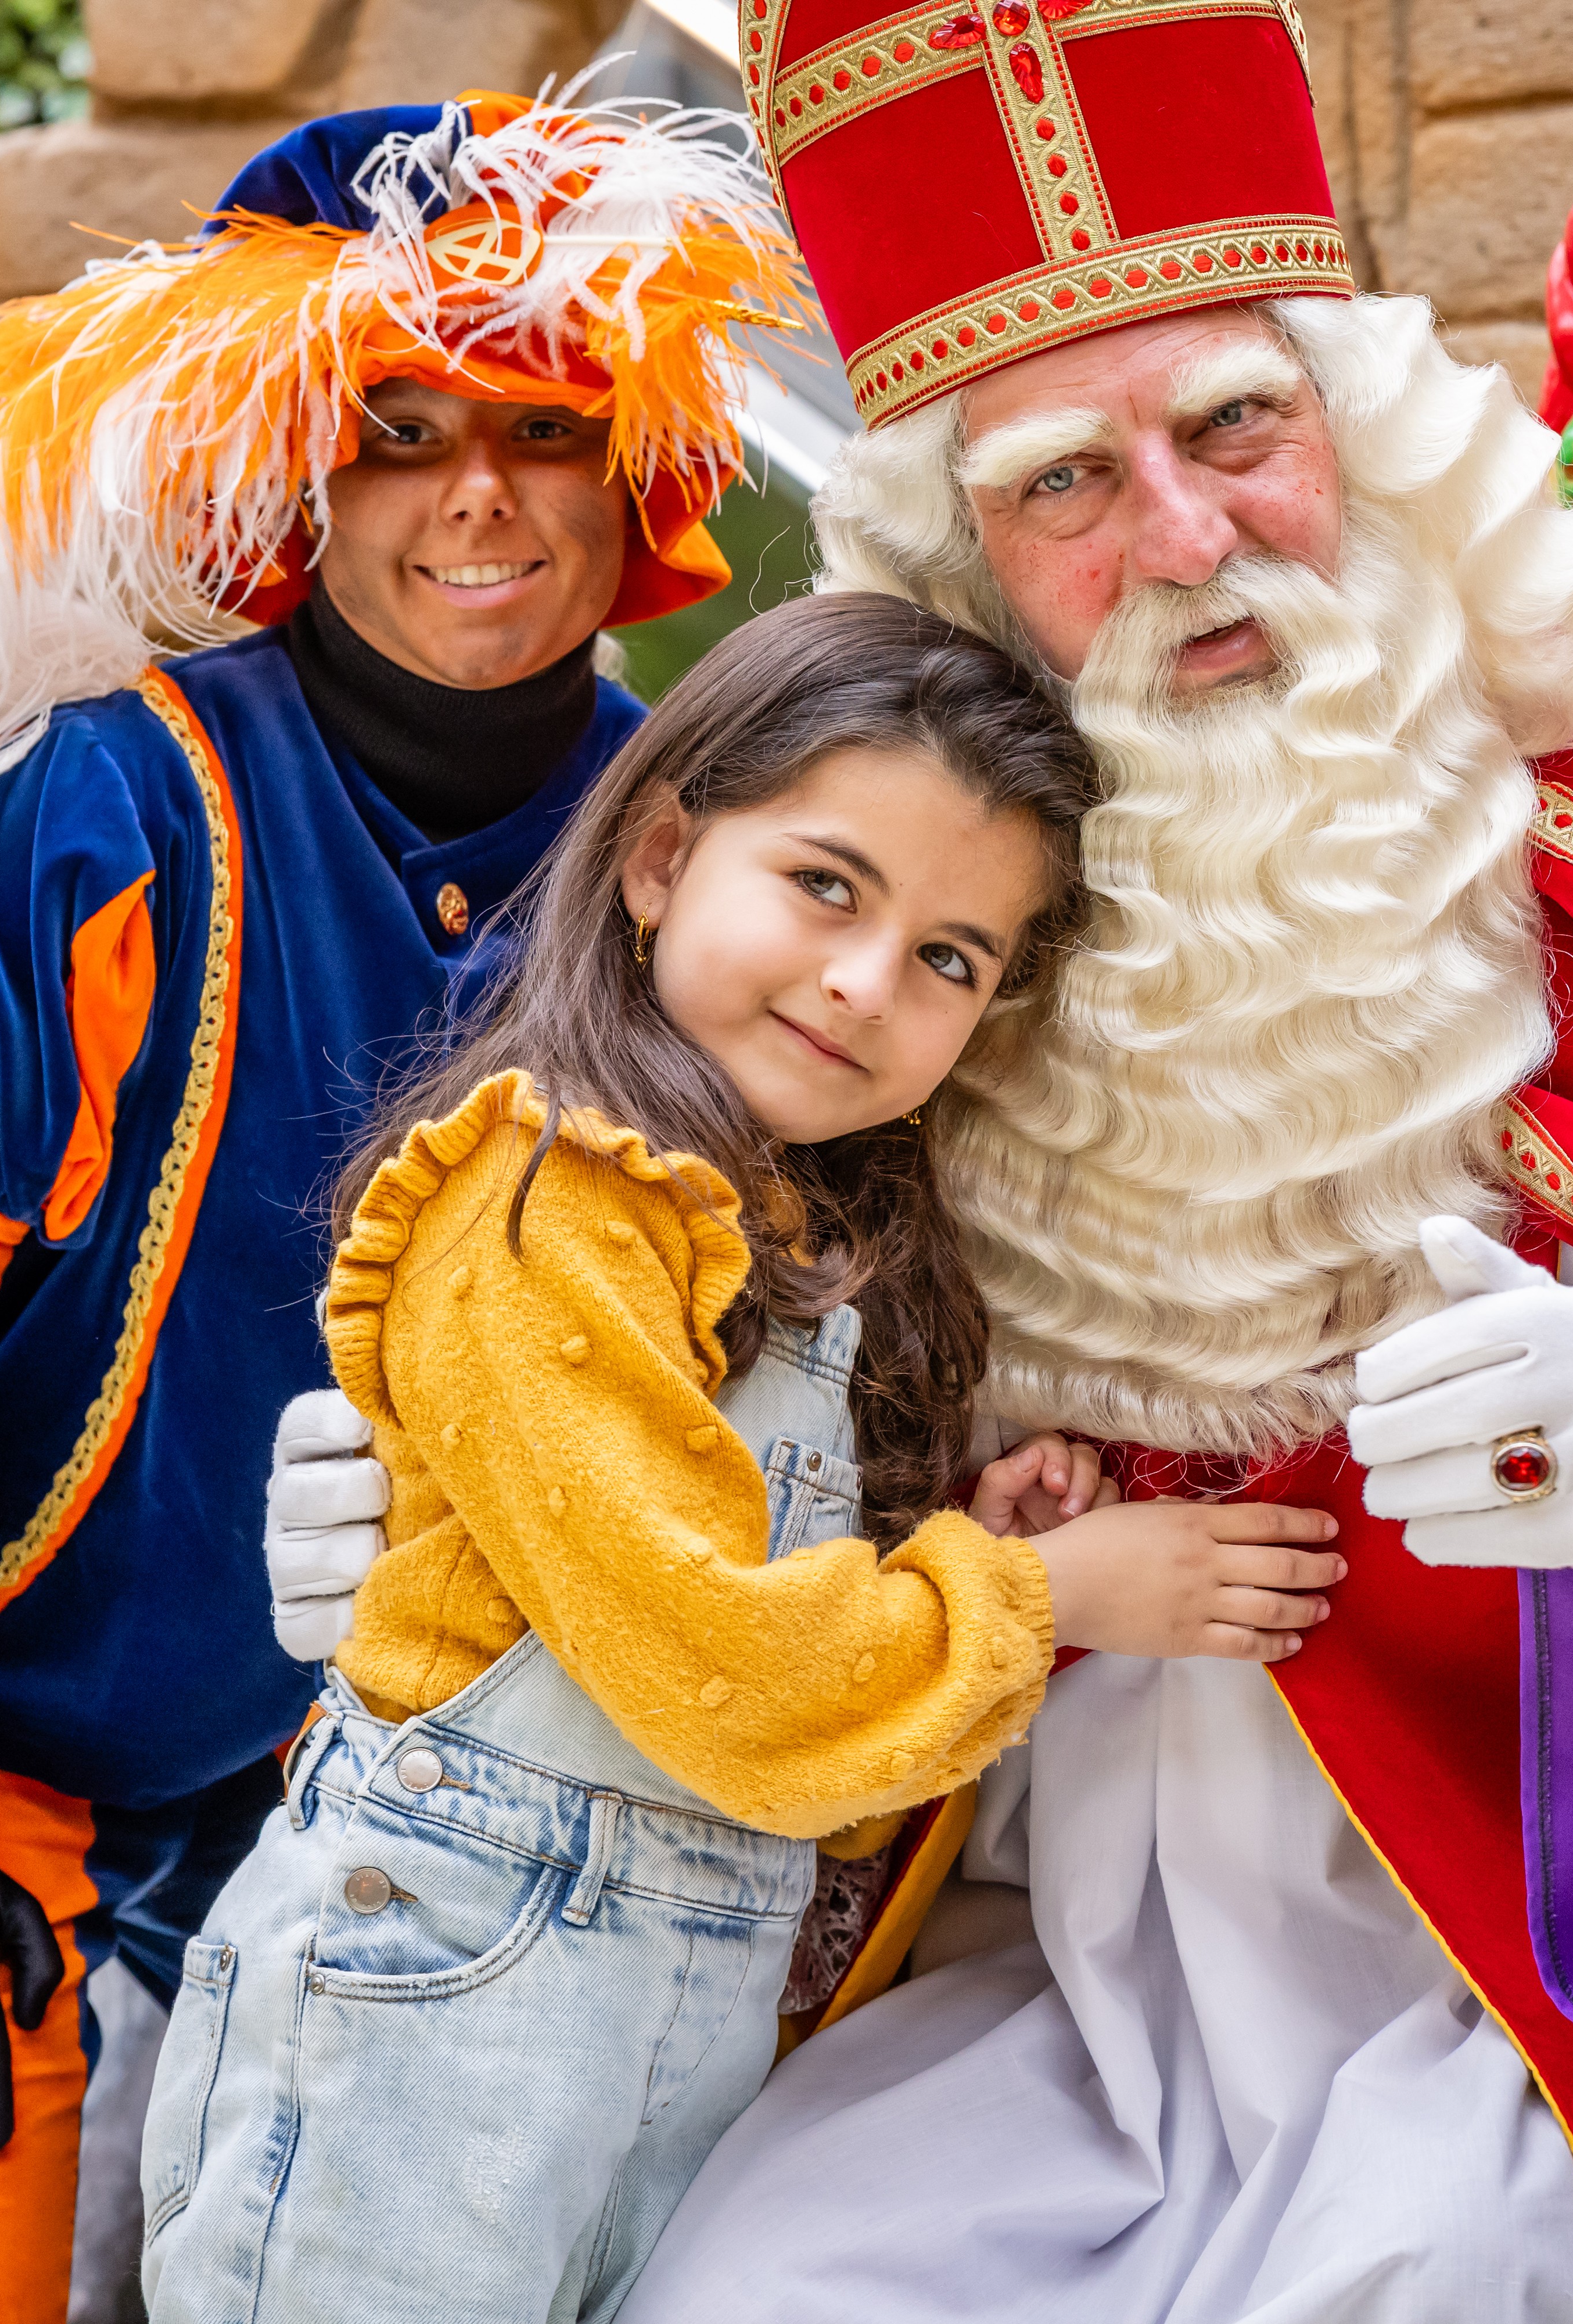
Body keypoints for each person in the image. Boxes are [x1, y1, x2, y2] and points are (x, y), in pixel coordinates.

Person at [597, 4, 1573, 2318]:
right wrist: (489, 1517)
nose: (1180, 543)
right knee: (740, 2288)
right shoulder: (902, 995)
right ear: (955, 571)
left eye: (1231, 428)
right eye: (1060, 485)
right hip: (1072, 1970)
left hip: (1544, 1977)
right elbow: (732, 1470)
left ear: (1359, 440)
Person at [0, 88, 805, 2324]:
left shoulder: (680, 834)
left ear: (637, 467)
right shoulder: (88, 805)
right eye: (395, 427)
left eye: (546, 426)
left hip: (392, 1766)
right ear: (302, 469)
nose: (477, 495)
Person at [142, 591, 1349, 2324]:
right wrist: (1036, 1597)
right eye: (825, 885)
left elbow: (810, 1759)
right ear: (657, 861)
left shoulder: (783, 1254)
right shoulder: (546, 1204)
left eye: (951, 957)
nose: (866, 982)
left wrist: (940, 1540)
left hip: (640, 2028)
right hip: (423, 2013)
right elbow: (729, 1683)